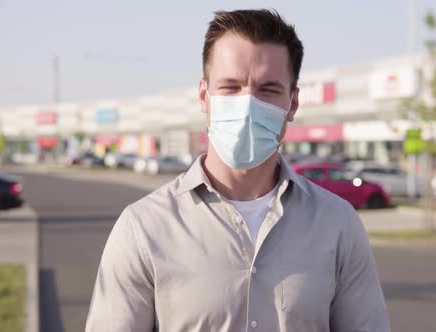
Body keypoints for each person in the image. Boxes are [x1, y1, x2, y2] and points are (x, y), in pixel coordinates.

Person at [86, 9, 390, 332]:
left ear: (293, 103)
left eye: (268, 89)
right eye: (231, 87)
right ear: (204, 96)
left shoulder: (338, 225)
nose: (248, 105)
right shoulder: (143, 229)